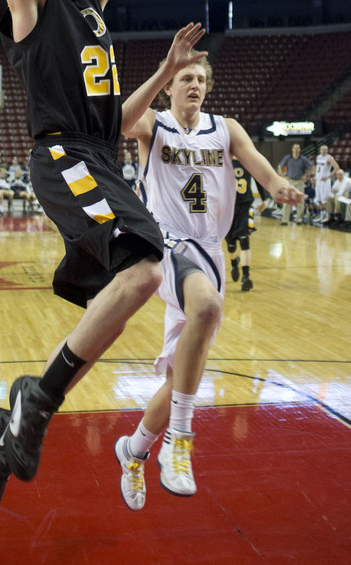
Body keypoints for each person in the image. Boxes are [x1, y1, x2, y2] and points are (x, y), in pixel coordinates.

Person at [0, 0, 169, 509]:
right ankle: (37, 399)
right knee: (145, 272)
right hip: (62, 153)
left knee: (131, 285)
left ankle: (20, 418)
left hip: (104, 159)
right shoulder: (28, 8)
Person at [113, 30, 304, 511]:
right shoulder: (153, 126)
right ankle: (180, 439)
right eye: (185, 79)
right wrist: (161, 70)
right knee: (208, 306)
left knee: (180, 373)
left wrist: (280, 186)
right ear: (171, 87)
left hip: (210, 253)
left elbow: (262, 168)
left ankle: (133, 450)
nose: (193, 85)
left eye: (199, 78)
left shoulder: (227, 128)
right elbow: (116, 123)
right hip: (168, 245)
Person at [225, 158, 267, 292]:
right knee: (231, 245)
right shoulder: (223, 161)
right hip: (227, 208)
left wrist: (264, 199)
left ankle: (246, 277)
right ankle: (233, 262)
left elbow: (259, 179)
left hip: (245, 206)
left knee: (244, 240)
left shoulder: (248, 161)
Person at [277, 144, 313, 225]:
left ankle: (299, 219)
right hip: (290, 181)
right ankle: (285, 220)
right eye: (295, 148)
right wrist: (283, 176)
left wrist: (306, 175)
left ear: (300, 150)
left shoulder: (303, 159)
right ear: (292, 149)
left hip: (299, 181)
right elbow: (280, 166)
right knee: (287, 200)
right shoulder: (288, 158)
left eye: (298, 148)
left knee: (300, 200)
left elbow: (311, 167)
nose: (296, 149)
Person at [313, 144, 338, 223]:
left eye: (325, 149)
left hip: (325, 181)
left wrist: (328, 177)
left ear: (327, 150)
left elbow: (337, 167)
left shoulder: (329, 158)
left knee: (325, 200)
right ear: (320, 150)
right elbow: (317, 168)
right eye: (322, 149)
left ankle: (328, 216)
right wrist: (314, 176)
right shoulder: (318, 157)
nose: (323, 151)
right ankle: (322, 215)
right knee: (319, 200)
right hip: (318, 181)